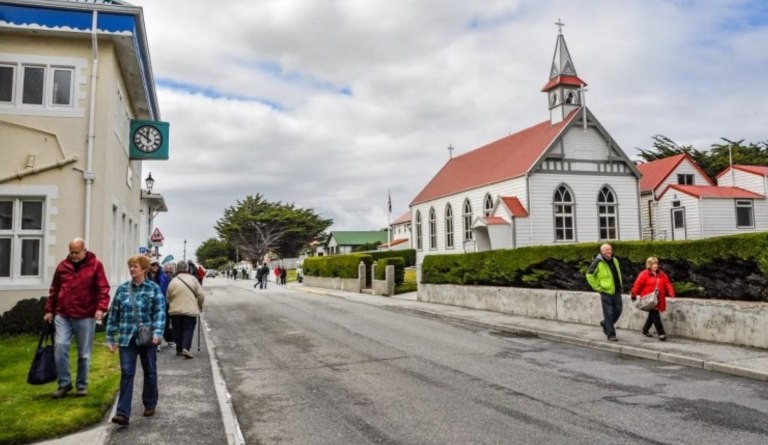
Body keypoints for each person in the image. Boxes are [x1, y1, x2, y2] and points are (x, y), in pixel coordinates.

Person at [43, 238, 110, 399]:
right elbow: (54, 289)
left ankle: (82, 385)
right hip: (63, 314)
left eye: (77, 253)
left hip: (85, 315)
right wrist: (49, 310)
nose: (73, 255)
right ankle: (64, 383)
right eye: (71, 252)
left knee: (84, 354)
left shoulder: (95, 265)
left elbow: (103, 288)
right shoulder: (62, 266)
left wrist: (101, 308)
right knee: (60, 347)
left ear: (84, 250)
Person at [105, 255, 166, 426]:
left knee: (150, 371)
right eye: (130, 266)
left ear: (144, 269)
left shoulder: (153, 289)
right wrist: (110, 337)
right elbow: (114, 315)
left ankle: (150, 402)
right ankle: (122, 413)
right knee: (127, 373)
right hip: (126, 338)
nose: (132, 269)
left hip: (147, 338)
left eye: (135, 266)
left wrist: (158, 333)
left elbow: (160, 313)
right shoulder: (123, 289)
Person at [166, 261, 205, 358]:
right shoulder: (193, 280)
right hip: (190, 310)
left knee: (177, 329)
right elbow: (201, 295)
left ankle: (179, 349)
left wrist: (171, 304)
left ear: (177, 269)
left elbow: (168, 297)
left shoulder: (173, 281)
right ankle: (186, 348)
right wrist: (200, 305)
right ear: (187, 269)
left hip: (175, 310)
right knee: (188, 329)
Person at [631, 257, 675, 341]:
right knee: (655, 313)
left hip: (659, 298)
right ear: (649, 265)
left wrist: (671, 292)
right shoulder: (644, 274)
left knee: (652, 314)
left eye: (656, 264)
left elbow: (667, 284)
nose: (655, 265)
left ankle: (645, 330)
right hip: (649, 299)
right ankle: (661, 333)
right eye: (653, 264)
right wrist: (634, 294)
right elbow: (637, 285)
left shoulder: (662, 274)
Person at [586, 243, 623, 341]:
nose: (609, 251)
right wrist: (597, 288)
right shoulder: (598, 261)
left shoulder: (615, 260)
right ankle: (611, 334)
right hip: (605, 291)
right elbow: (589, 275)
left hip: (617, 290)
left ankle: (605, 323)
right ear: (602, 251)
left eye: (610, 249)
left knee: (619, 310)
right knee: (608, 313)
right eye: (607, 250)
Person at [148, 259, 173, 350]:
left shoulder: (163, 276)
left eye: (157, 265)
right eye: (153, 265)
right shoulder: (145, 276)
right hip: (149, 302)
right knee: (151, 322)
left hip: (161, 302)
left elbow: (167, 289)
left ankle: (159, 341)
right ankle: (153, 341)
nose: (155, 266)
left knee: (162, 322)